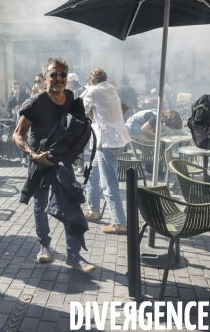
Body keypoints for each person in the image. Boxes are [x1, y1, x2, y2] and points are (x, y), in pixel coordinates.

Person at [13, 57, 95, 272]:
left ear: (67, 78)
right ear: (45, 77)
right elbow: (17, 135)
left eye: (62, 74)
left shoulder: (70, 97)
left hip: (61, 160)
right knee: (40, 205)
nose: (58, 78)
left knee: (70, 202)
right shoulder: (35, 103)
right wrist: (33, 155)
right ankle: (44, 246)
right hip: (39, 161)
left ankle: (73, 254)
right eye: (53, 74)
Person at [81, 69, 132, 234]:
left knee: (109, 185)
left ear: (92, 80)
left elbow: (79, 108)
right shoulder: (111, 88)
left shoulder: (94, 91)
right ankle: (94, 210)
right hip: (116, 140)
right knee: (92, 175)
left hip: (107, 142)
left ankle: (120, 223)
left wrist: (87, 89)